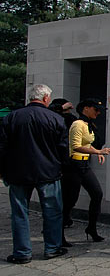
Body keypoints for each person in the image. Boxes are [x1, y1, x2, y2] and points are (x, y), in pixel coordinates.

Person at [0, 84, 68, 263]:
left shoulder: (12, 117)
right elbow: (62, 149)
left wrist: (2, 171)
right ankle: (52, 248)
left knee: (20, 213)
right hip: (48, 172)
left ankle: (22, 252)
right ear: (46, 98)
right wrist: (63, 167)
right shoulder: (55, 119)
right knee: (52, 212)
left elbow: (2, 148)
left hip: (18, 173)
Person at [64, 98, 110, 243]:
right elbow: (76, 146)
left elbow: (87, 144)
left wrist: (96, 151)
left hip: (84, 165)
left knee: (97, 194)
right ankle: (59, 233)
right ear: (86, 109)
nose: (98, 113)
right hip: (74, 165)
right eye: (96, 110)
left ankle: (91, 228)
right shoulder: (77, 124)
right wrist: (97, 152)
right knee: (69, 200)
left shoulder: (87, 124)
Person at [48, 98, 78, 229]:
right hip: (57, 162)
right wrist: (60, 109)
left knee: (70, 194)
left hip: (68, 161)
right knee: (56, 196)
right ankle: (56, 224)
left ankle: (65, 217)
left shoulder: (71, 119)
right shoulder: (52, 118)